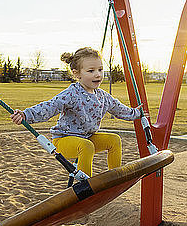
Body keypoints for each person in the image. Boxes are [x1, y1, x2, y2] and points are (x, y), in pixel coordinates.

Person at [11, 47, 141, 177]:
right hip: (64, 140)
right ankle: (87, 184)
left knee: (114, 140)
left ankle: (116, 176)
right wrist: (25, 115)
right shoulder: (72, 93)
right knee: (86, 146)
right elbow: (49, 106)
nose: (98, 74)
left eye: (100, 69)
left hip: (86, 137)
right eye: (91, 71)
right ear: (77, 74)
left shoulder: (103, 96)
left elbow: (119, 109)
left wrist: (137, 113)